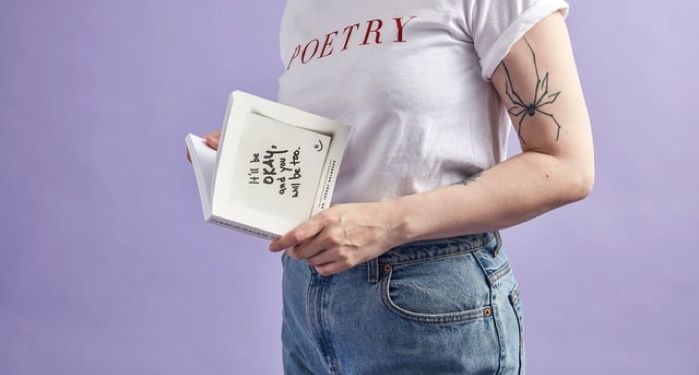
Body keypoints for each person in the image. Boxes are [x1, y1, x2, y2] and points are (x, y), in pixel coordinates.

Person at [187, 0, 594, 373]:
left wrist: (391, 222)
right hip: (305, 299)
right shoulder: (303, 10)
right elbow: (365, 153)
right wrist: (255, 153)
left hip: (428, 299)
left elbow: (565, 166)